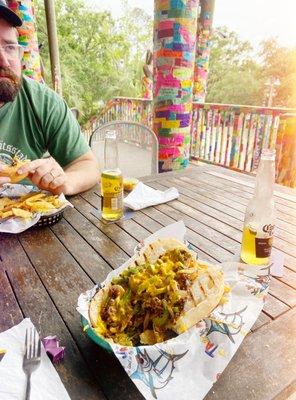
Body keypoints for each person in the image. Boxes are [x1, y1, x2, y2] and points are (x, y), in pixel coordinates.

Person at [0, 0, 99, 195]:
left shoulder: (43, 102)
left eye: (10, 47)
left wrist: (64, 181)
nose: (3, 60)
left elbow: (87, 165)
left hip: (30, 221)